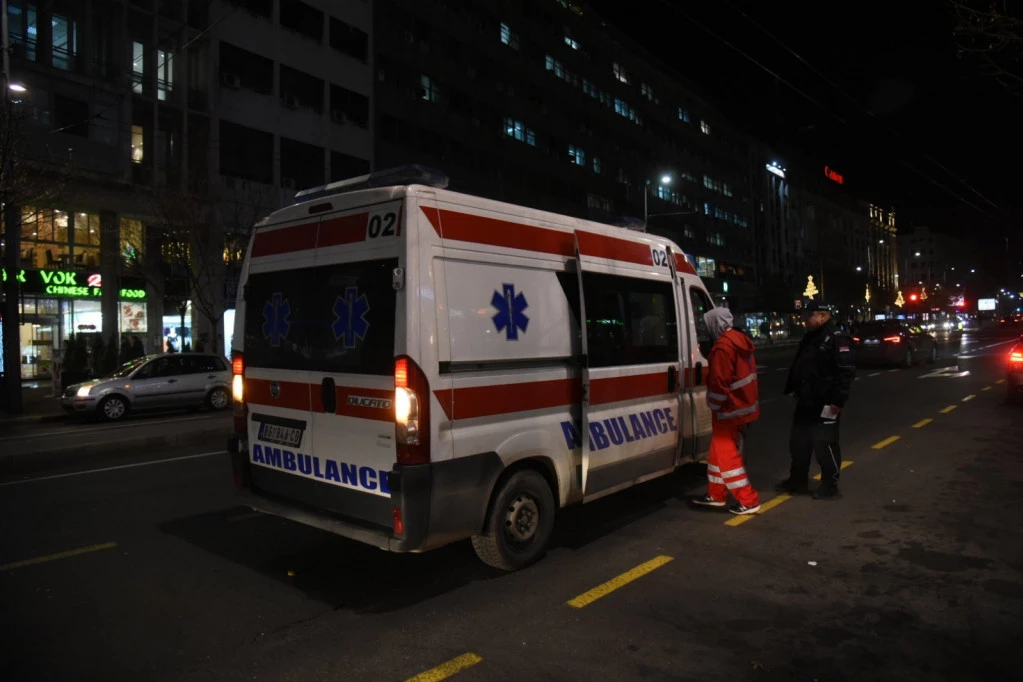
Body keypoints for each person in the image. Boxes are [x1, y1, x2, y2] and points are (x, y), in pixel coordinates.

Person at [776, 301, 856, 499]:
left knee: (825, 444)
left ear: (822, 316)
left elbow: (845, 372)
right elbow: (802, 364)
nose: (804, 320)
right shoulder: (811, 337)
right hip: (806, 400)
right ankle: (798, 480)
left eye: (808, 316)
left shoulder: (836, 337)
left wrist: (838, 400)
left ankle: (829, 485)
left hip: (826, 401)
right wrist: (795, 387)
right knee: (799, 442)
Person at [691, 306, 762, 515]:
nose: (706, 329)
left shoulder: (722, 347)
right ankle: (716, 494)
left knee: (726, 455)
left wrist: (714, 404)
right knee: (717, 452)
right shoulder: (739, 340)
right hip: (741, 405)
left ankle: (748, 500)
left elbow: (719, 382)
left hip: (729, 408)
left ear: (715, 324)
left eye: (708, 324)